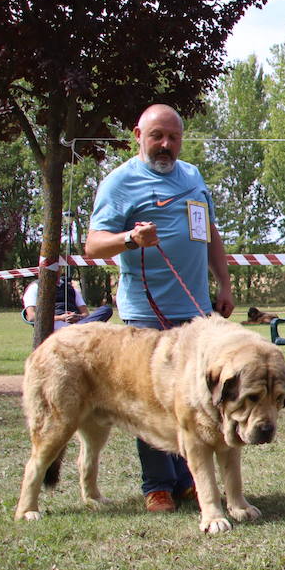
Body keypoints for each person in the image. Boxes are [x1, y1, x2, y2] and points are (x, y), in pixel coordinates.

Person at [84, 103, 235, 513]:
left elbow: (210, 234)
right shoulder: (119, 183)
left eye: (173, 137)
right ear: (139, 136)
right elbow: (94, 244)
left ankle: (188, 479)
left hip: (195, 310)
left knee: (196, 399)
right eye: (157, 136)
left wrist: (222, 283)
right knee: (152, 399)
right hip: (145, 313)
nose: (166, 145)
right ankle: (157, 485)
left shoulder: (192, 177)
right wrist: (131, 239)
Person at [22, 272, 112, 330]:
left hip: (78, 323)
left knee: (106, 309)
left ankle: (79, 329)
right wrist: (61, 317)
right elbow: (32, 317)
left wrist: (77, 317)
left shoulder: (69, 288)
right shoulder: (35, 287)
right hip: (54, 326)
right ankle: (80, 330)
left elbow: (85, 314)